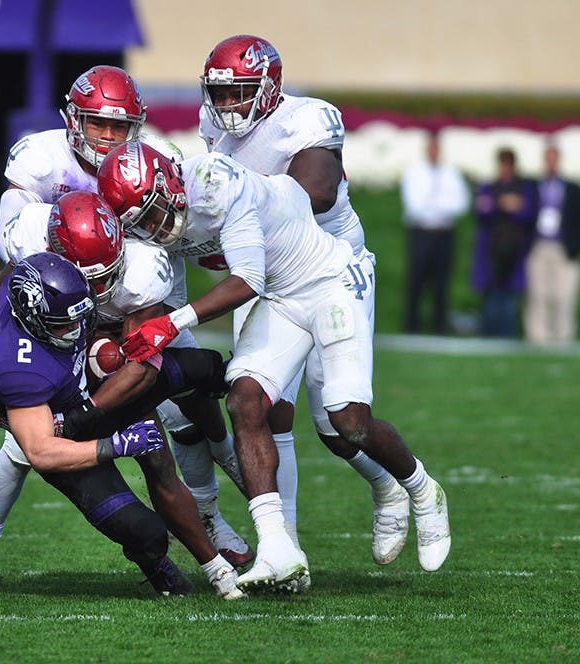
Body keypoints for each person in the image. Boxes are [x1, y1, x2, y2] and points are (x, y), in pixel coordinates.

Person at [99, 141, 452, 593]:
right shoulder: (146, 227)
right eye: (140, 223)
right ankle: (276, 548)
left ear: (171, 181)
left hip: (330, 281)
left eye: (153, 211)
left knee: (348, 420)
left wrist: (171, 324)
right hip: (281, 298)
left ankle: (421, 488)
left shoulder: (214, 184)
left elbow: (247, 280)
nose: (154, 226)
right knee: (245, 401)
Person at [0, 64, 252, 589]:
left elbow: (171, 225)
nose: (109, 138)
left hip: (131, 290)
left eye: (120, 127)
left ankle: (216, 498)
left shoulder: (152, 167)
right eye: (98, 125)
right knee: (24, 446)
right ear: (73, 120)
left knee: (192, 382)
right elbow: (4, 264)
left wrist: (205, 250)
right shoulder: (40, 165)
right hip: (59, 302)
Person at [196, 34, 415, 573]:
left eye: (239, 93)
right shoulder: (213, 127)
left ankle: (391, 486)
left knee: (338, 424)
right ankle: (283, 547)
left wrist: (241, 220)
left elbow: (310, 193)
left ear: (269, 87)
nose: (227, 107)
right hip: (267, 273)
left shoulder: (309, 119)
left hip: (330, 271)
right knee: (262, 407)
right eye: (219, 95)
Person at [0, 250, 204, 596]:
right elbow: (41, 451)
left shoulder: (33, 265)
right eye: (61, 323)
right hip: (65, 428)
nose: (74, 328)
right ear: (32, 317)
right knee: (146, 531)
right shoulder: (16, 368)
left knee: (203, 366)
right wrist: (117, 446)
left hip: (91, 394)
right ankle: (157, 567)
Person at [400, 131, 471, 334]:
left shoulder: (451, 174)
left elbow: (461, 204)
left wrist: (433, 202)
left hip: (444, 233)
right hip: (421, 232)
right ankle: (411, 327)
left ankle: (439, 327)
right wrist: (443, 201)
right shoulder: (415, 173)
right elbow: (414, 206)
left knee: (442, 283)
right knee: (416, 281)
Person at [471, 147, 538, 338]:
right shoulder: (491, 187)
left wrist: (503, 204)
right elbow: (482, 210)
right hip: (492, 251)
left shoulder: (523, 187)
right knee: (492, 296)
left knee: (508, 299)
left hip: (514, 251)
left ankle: (506, 335)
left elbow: (527, 213)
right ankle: (488, 334)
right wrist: (503, 203)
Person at [524, 142, 580, 345]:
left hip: (564, 247)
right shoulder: (533, 186)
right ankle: (538, 337)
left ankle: (563, 337)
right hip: (539, 245)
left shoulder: (572, 189)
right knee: (539, 293)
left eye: (554, 158)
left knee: (564, 295)